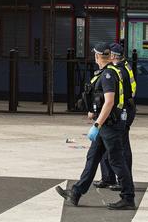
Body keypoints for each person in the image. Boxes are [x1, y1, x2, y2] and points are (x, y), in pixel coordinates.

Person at [56, 44, 135, 210]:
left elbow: (109, 101)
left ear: (98, 57)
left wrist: (97, 124)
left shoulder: (107, 75)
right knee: (92, 158)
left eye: (95, 55)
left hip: (109, 125)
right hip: (106, 124)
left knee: (117, 161)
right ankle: (76, 193)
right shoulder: (109, 72)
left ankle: (128, 198)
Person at [94, 42, 136, 191]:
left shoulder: (118, 71)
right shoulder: (122, 67)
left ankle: (124, 180)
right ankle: (108, 177)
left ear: (113, 56)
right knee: (108, 144)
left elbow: (116, 96)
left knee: (121, 146)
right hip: (122, 109)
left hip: (122, 111)